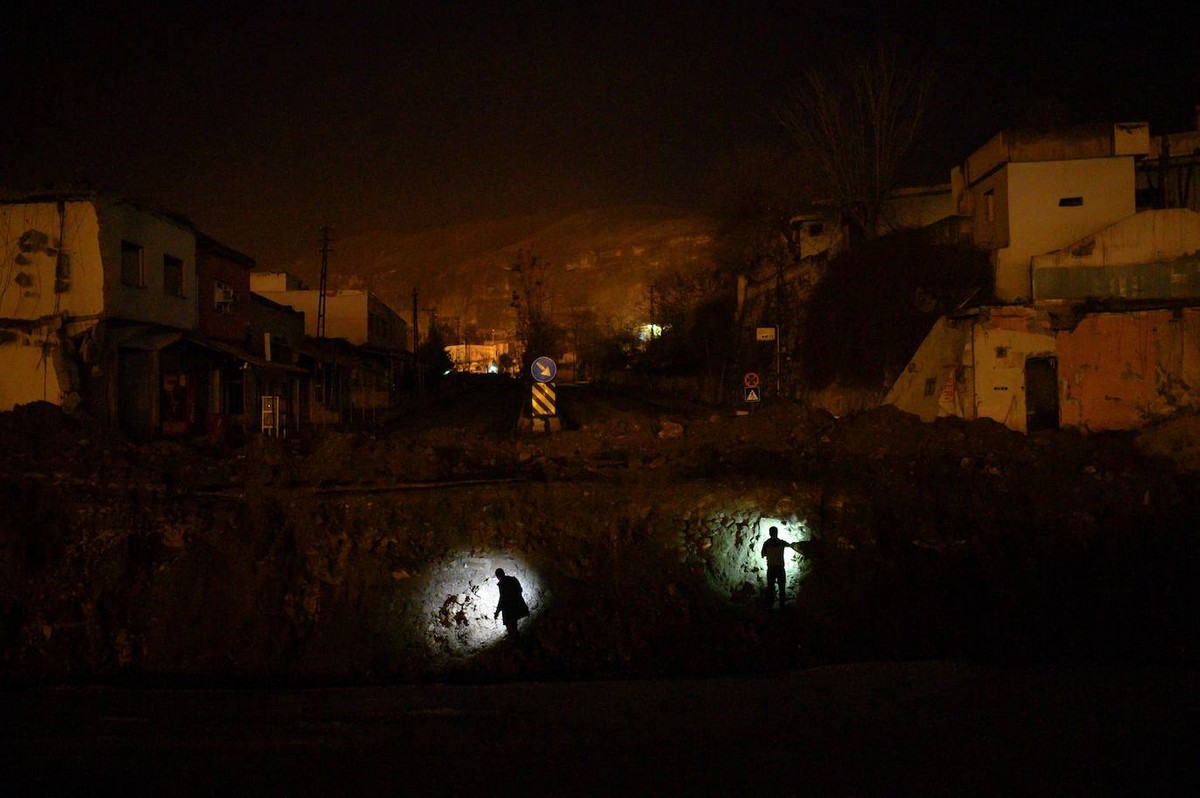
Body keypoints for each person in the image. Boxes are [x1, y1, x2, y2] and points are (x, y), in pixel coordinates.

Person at [760, 526, 794, 608]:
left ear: (769, 533)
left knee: (770, 587)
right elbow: (790, 545)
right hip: (780, 567)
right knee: (782, 588)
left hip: (771, 568)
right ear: (777, 533)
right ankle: (782, 605)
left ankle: (770, 606)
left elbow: (762, 554)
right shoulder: (781, 542)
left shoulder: (766, 543)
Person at [493, 568, 530, 638]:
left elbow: (502, 598)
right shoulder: (513, 579)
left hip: (509, 608)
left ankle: (517, 642)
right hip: (517, 604)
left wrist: (497, 611)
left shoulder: (502, 583)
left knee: (511, 626)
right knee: (514, 624)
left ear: (498, 576)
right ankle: (517, 640)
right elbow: (520, 590)